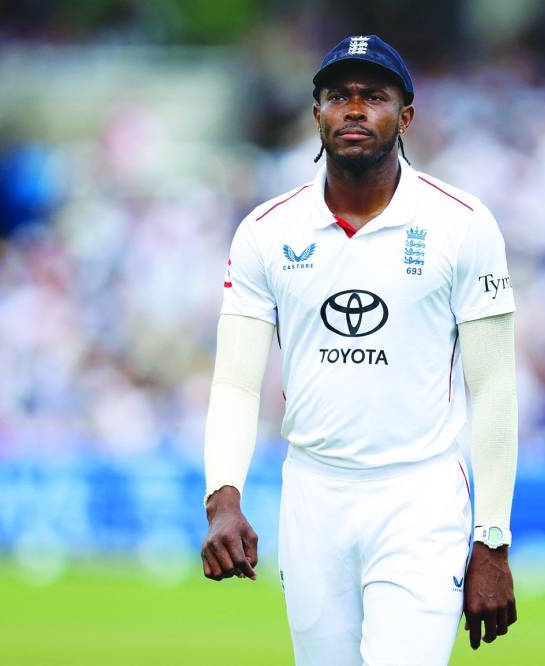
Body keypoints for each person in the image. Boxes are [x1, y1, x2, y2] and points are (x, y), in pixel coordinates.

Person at [201, 34, 518, 665]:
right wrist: (223, 496)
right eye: (337, 96)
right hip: (314, 496)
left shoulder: (463, 223)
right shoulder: (267, 231)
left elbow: (493, 388)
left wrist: (493, 540)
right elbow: (236, 383)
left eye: (373, 96)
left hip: (420, 496)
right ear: (315, 114)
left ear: (404, 117)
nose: (353, 109)